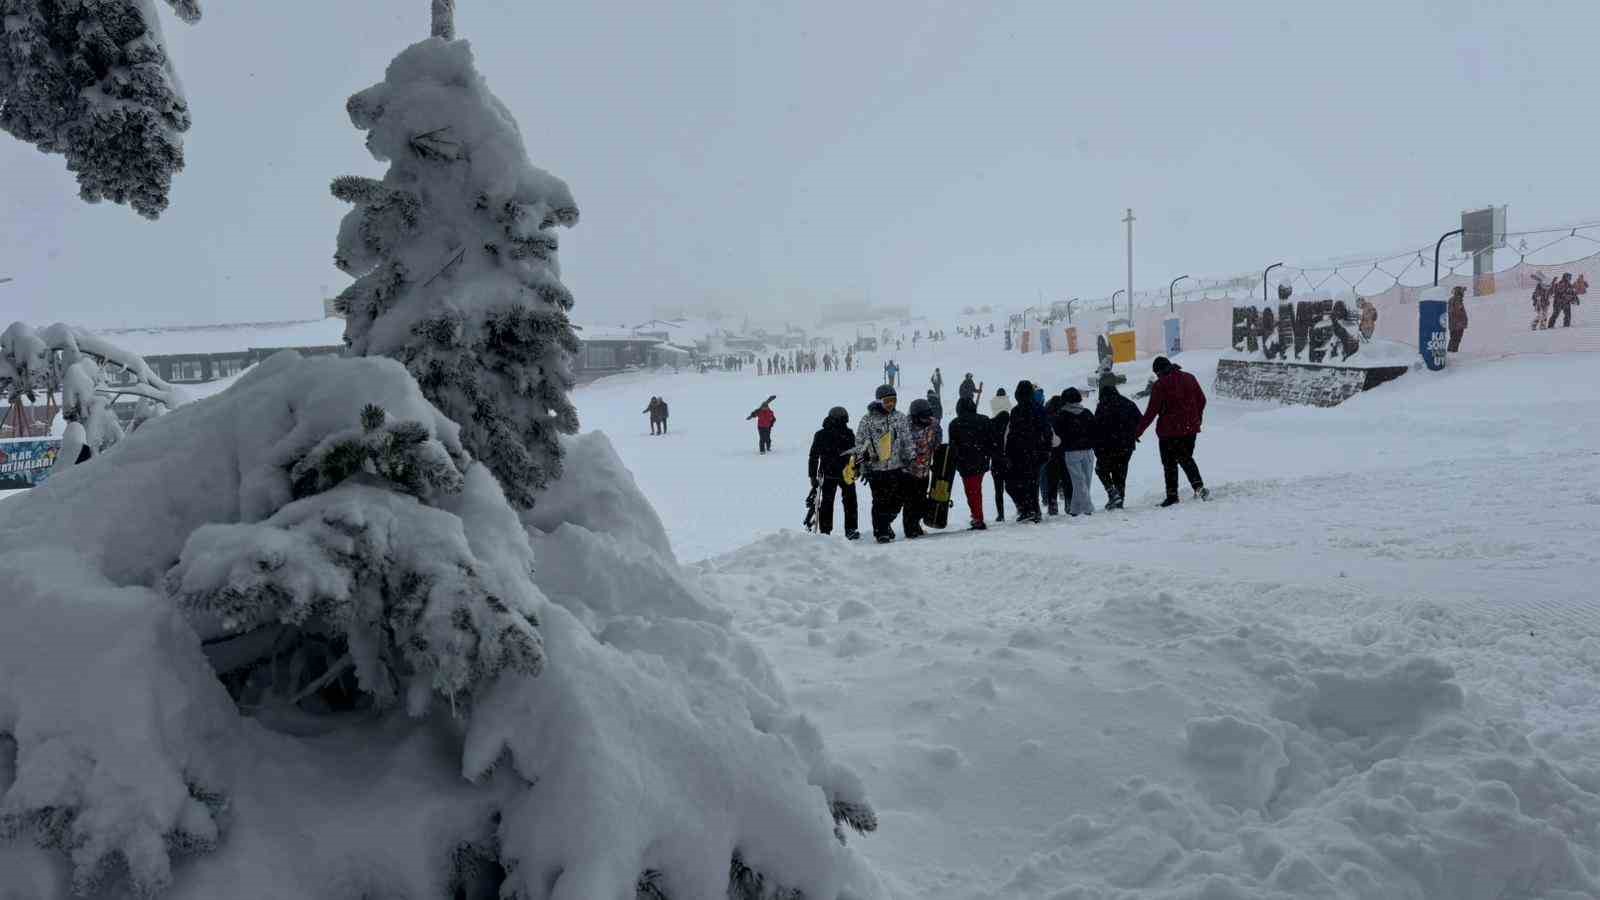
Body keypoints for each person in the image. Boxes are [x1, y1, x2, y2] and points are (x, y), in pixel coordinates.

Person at [1136, 356, 1208, 507]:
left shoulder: (1160, 385)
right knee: (1186, 458)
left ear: (1158, 371)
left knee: (1169, 464)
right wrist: (1196, 418)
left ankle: (1172, 495)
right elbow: (1202, 400)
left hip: (1169, 432)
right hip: (1190, 429)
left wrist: (1137, 431)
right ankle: (1198, 487)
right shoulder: (1189, 378)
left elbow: (1151, 412)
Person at [854, 385, 916, 542]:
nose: (891, 404)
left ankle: (886, 523)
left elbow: (907, 439)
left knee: (897, 499)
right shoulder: (868, 420)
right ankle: (881, 531)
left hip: (897, 466)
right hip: (876, 469)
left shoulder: (900, 417)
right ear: (879, 401)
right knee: (880, 501)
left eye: (893, 401)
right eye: (887, 401)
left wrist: (911, 458)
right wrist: (863, 466)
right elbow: (860, 444)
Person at [808, 407, 860, 540]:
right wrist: (813, 475)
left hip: (846, 473)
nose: (843, 423)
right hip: (829, 473)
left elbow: (855, 453)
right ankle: (826, 530)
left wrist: (857, 468)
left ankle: (850, 529)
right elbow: (814, 456)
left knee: (849, 501)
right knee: (828, 502)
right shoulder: (821, 434)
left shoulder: (848, 433)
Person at [1002, 380, 1049, 523]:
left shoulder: (1017, 411)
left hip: (1021, 452)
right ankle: (1031, 510)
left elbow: (1012, 434)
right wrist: (1046, 449)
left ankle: (1028, 509)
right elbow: (1046, 430)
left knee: (1014, 483)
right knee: (1030, 483)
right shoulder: (1038, 409)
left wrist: (1008, 452)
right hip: (1034, 451)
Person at [1092, 374, 1140, 510]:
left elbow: (1097, 426)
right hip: (1126, 445)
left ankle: (1112, 493)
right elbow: (1139, 420)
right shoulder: (1127, 403)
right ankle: (1119, 500)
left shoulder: (1103, 405)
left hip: (1106, 446)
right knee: (1120, 473)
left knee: (1101, 470)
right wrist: (1133, 434)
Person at [947, 396, 992, 530]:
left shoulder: (955, 423)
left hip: (965, 463)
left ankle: (978, 518)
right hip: (981, 460)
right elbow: (991, 440)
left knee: (972, 491)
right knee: (975, 490)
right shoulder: (984, 420)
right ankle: (976, 516)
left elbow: (953, 447)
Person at [1052, 388, 1097, 516]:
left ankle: (1078, 508)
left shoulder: (1061, 416)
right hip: (1088, 451)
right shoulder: (1087, 413)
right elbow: (1095, 429)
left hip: (1071, 452)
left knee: (1078, 481)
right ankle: (1083, 508)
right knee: (1085, 481)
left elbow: (1057, 434)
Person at [902, 398, 940, 538]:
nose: (926, 419)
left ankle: (916, 524)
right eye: (923, 416)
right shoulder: (905, 426)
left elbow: (937, 442)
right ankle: (909, 529)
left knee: (921, 499)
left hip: (924, 469)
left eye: (927, 415)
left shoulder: (933, 424)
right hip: (909, 471)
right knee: (910, 501)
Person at [988, 388, 1011, 521]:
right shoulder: (1011, 423)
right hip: (1009, 460)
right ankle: (1021, 507)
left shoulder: (992, 424)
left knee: (998, 490)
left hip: (996, 461)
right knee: (1012, 486)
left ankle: (1000, 514)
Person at [1447, 285, 1468, 352]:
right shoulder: (1456, 300)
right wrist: (1462, 320)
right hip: (1457, 324)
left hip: (1456, 324)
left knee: (1454, 339)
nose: (1463, 293)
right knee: (1455, 340)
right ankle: (1452, 353)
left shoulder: (1455, 299)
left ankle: (1452, 353)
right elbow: (1456, 311)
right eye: (1462, 292)